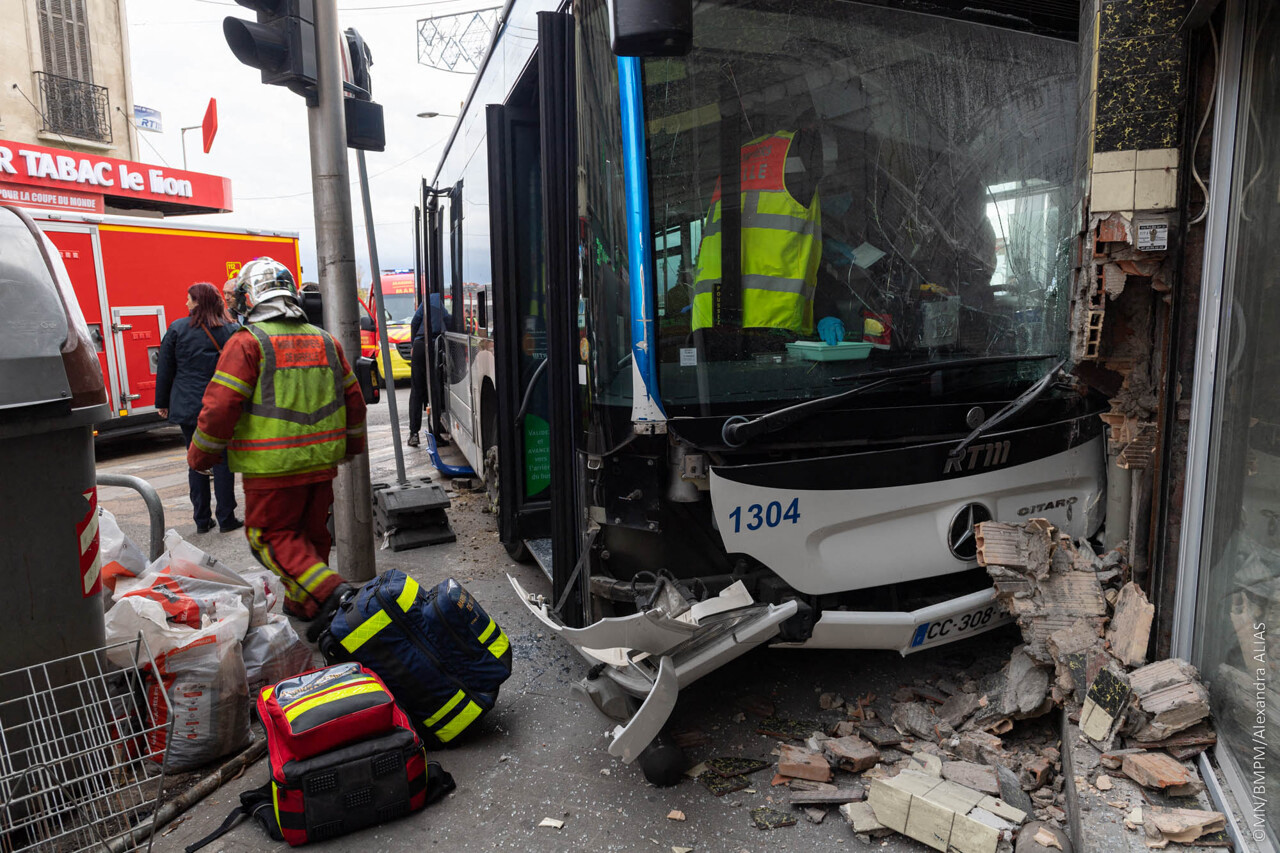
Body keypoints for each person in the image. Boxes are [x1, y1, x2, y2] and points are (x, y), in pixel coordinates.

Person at [187, 258, 366, 630]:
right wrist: (350, 448)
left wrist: (201, 455)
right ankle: (306, 607)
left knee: (267, 537)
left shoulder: (247, 343)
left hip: (271, 467)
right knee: (310, 536)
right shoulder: (326, 340)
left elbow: (220, 406)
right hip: (320, 463)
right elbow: (354, 402)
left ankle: (335, 593)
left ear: (249, 298)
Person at [690, 120, 846, 346]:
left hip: (708, 317)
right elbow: (785, 260)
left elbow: (774, 247)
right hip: (771, 321)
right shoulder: (800, 148)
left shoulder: (733, 157)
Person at [156, 282, 242, 534]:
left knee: (196, 460)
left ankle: (202, 520)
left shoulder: (177, 329)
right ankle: (227, 517)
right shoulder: (231, 329)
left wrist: (162, 402)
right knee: (223, 460)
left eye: (189, 299)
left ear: (198, 302)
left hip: (188, 405)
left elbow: (165, 369)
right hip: (221, 405)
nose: (186, 304)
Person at [407, 292, 451, 447]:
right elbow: (449, 321)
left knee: (417, 391)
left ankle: (413, 434)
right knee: (434, 390)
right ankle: (435, 433)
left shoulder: (424, 303)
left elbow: (414, 322)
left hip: (419, 347)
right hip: (434, 347)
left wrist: (413, 344)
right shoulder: (439, 303)